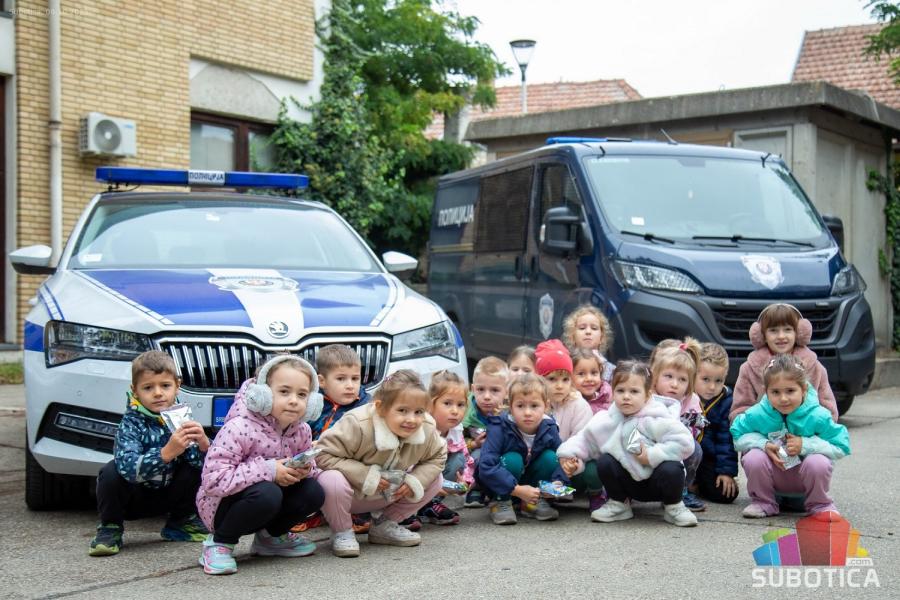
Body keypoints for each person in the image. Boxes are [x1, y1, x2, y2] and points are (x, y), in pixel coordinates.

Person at [195, 355, 326, 575]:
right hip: (221, 506)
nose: (294, 400)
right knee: (268, 492)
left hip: (265, 503)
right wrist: (269, 470)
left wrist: (305, 470)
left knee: (313, 491)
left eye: (302, 394)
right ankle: (219, 543)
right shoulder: (239, 426)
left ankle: (271, 538)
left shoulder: (301, 429)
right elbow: (213, 481)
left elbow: (306, 469)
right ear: (261, 394)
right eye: (284, 392)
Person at [89, 350, 210, 557]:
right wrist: (165, 453)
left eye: (165, 386)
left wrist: (204, 445)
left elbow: (204, 467)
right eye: (148, 387)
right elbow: (128, 469)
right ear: (135, 390)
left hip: (169, 495)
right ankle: (110, 528)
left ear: (177, 386)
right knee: (110, 471)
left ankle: (181, 522)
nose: (158, 393)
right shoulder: (131, 423)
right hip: (135, 499)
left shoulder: (181, 417)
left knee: (194, 467)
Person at [316, 370, 446, 558]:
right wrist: (365, 475)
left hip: (389, 492)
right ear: (381, 408)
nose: (411, 419)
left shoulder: (426, 427)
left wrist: (413, 481)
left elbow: (437, 458)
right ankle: (342, 532)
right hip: (352, 494)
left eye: (419, 412)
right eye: (402, 410)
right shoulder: (358, 424)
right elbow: (323, 455)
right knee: (330, 480)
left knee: (435, 479)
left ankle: (384, 525)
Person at [558, 361, 698, 527]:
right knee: (605, 461)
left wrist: (652, 456)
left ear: (647, 395)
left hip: (658, 483)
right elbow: (584, 441)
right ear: (613, 392)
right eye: (620, 390)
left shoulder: (658, 418)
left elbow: (685, 442)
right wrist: (569, 457)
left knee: (672, 467)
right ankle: (619, 504)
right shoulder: (606, 419)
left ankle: (674, 506)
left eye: (634, 391)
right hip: (628, 485)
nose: (626, 396)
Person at [730, 355, 850, 518]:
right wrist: (763, 444)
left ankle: (820, 505)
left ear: (804, 390)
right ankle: (763, 502)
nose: (783, 398)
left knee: (818, 461)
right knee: (754, 457)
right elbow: (737, 434)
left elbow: (842, 445)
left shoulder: (818, 416)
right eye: (776, 392)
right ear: (766, 392)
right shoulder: (758, 413)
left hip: (805, 492)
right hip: (772, 489)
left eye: (790, 391)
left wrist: (805, 444)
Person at [476, 373, 569, 525]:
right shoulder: (499, 426)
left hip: (529, 485)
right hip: (501, 484)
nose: (527, 412)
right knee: (513, 459)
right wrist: (516, 489)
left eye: (534, 406)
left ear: (545, 406)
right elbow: (486, 466)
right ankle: (501, 502)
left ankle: (530, 502)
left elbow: (562, 458)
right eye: (520, 406)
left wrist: (557, 482)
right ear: (510, 407)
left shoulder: (549, 426)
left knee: (551, 457)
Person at [299, 344, 372, 535]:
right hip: (313, 460)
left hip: (348, 461)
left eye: (355, 378)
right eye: (341, 379)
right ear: (322, 381)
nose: (350, 385)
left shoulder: (365, 407)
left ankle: (356, 512)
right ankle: (311, 511)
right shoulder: (312, 404)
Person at [731, 303, 838, 422]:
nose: (781, 336)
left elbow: (829, 411)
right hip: (764, 433)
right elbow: (739, 411)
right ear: (762, 336)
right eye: (773, 330)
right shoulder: (748, 369)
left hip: (806, 433)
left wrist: (811, 433)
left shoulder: (816, 368)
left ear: (798, 333)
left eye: (787, 330)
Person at [411, 370, 475, 527]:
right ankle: (408, 509)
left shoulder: (456, 431)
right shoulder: (422, 428)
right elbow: (409, 464)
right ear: (430, 405)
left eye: (460, 405)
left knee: (458, 458)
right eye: (447, 403)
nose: (455, 411)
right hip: (413, 479)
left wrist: (464, 482)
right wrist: (430, 486)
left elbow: (466, 459)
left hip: (435, 479)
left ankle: (430, 505)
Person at [649, 338, 706, 511]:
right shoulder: (647, 396)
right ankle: (626, 492)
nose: (674, 384)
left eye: (682, 380)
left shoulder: (691, 401)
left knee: (694, 448)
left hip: (675, 447)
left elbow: (696, 431)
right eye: (668, 377)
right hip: (648, 443)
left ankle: (680, 490)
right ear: (655, 376)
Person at [693, 343, 739, 504]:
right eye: (705, 379)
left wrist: (726, 472)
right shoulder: (685, 396)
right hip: (684, 455)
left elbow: (726, 439)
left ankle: (698, 484)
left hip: (709, 458)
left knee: (726, 494)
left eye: (718, 381)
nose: (712, 387)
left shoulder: (726, 401)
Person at [461, 356, 508, 508]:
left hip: (501, 452)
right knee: (476, 459)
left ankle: (500, 491)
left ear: (506, 392)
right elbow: (456, 439)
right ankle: (476, 489)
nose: (487, 396)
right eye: (481, 390)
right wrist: (473, 443)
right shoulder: (465, 410)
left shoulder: (509, 411)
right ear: (473, 389)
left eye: (495, 390)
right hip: (476, 452)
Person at [535, 339, 593, 441]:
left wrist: (564, 454)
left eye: (565, 379)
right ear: (540, 379)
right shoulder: (534, 402)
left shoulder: (579, 406)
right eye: (552, 379)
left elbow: (581, 440)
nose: (560, 386)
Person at [562, 304, 615, 381]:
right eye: (582, 328)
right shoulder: (564, 365)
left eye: (594, 328)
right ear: (572, 336)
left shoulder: (612, 371)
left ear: (602, 338)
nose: (588, 332)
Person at [570, 348, 613, 414]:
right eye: (581, 374)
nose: (589, 379)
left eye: (593, 373)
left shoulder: (609, 397)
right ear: (570, 377)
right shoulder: (568, 404)